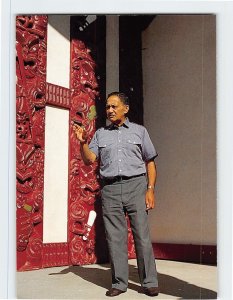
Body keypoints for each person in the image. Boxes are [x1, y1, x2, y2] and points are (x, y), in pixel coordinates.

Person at [73, 92, 159, 297]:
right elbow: (89, 160)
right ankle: (119, 283)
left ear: (125, 109)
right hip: (110, 189)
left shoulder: (140, 132)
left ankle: (149, 282)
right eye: (108, 107)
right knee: (115, 238)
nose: (110, 111)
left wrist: (150, 189)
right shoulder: (101, 134)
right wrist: (83, 142)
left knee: (142, 236)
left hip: (136, 186)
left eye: (114, 106)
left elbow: (150, 162)